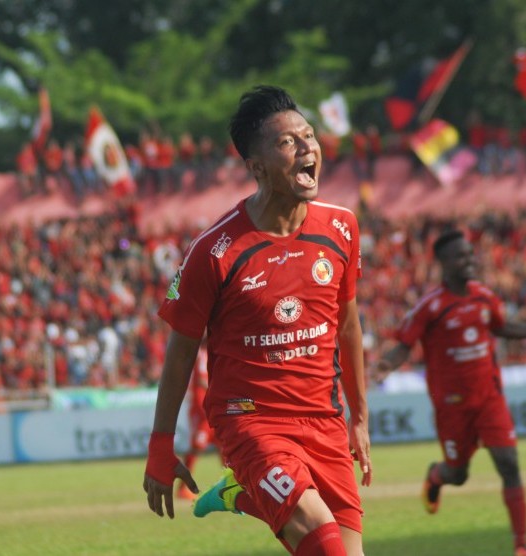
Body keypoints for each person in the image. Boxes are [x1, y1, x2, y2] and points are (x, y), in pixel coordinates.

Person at [142, 85, 371, 556]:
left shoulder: (342, 227)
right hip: (252, 421)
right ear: (257, 167)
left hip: (323, 421)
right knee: (327, 548)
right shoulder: (215, 250)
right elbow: (182, 349)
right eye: (288, 142)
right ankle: (248, 483)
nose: (307, 148)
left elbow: (348, 325)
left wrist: (359, 417)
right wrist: (161, 444)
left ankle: (242, 494)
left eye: (309, 136)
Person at [372, 229, 526, 556]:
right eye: (460, 256)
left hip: (489, 398)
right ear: (443, 263)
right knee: (459, 474)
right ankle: (436, 477)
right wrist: (384, 366)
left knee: (508, 462)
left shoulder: (483, 296)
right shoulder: (430, 306)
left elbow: (502, 327)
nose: (469, 260)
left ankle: (521, 546)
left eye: (470, 254)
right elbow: (404, 345)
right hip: (452, 407)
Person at [176, 342, 213, 501]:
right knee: (197, 445)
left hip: (210, 406)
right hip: (202, 407)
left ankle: (235, 485)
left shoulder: (207, 351)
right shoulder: (202, 353)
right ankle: (183, 487)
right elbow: (202, 380)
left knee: (226, 446)